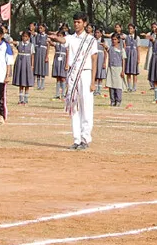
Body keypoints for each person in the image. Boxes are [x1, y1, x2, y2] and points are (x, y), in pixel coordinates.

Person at [53, 13, 98, 149]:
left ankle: (85, 139)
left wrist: (93, 81)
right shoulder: (71, 38)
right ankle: (77, 139)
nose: (76, 24)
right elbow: (62, 40)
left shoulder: (91, 40)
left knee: (86, 107)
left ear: (84, 23)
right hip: (73, 75)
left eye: (79, 22)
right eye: (75, 22)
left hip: (85, 73)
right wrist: (54, 37)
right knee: (74, 107)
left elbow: (94, 59)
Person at [12, 31, 35, 104]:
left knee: (27, 81)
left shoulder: (31, 45)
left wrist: (32, 65)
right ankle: (20, 99)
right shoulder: (19, 43)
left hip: (27, 62)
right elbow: (12, 42)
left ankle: (26, 99)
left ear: (28, 37)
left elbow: (32, 56)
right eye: (23, 36)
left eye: (26, 36)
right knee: (21, 81)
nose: (24, 38)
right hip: (20, 62)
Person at [105, 33, 127, 107]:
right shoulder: (110, 48)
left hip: (118, 68)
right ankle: (112, 100)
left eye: (115, 39)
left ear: (118, 40)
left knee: (118, 85)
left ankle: (118, 100)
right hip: (111, 68)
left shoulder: (121, 49)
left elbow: (123, 60)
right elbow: (107, 49)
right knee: (111, 85)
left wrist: (123, 70)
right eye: (112, 39)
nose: (113, 41)